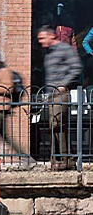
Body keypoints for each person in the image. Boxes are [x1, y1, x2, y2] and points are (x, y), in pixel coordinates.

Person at [37, 25, 83, 170]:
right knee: (54, 127)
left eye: (42, 38)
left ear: (51, 36)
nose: (40, 41)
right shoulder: (48, 53)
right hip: (51, 95)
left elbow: (76, 68)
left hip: (61, 94)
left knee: (56, 124)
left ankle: (65, 158)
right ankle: (58, 159)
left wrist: (64, 84)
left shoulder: (65, 49)